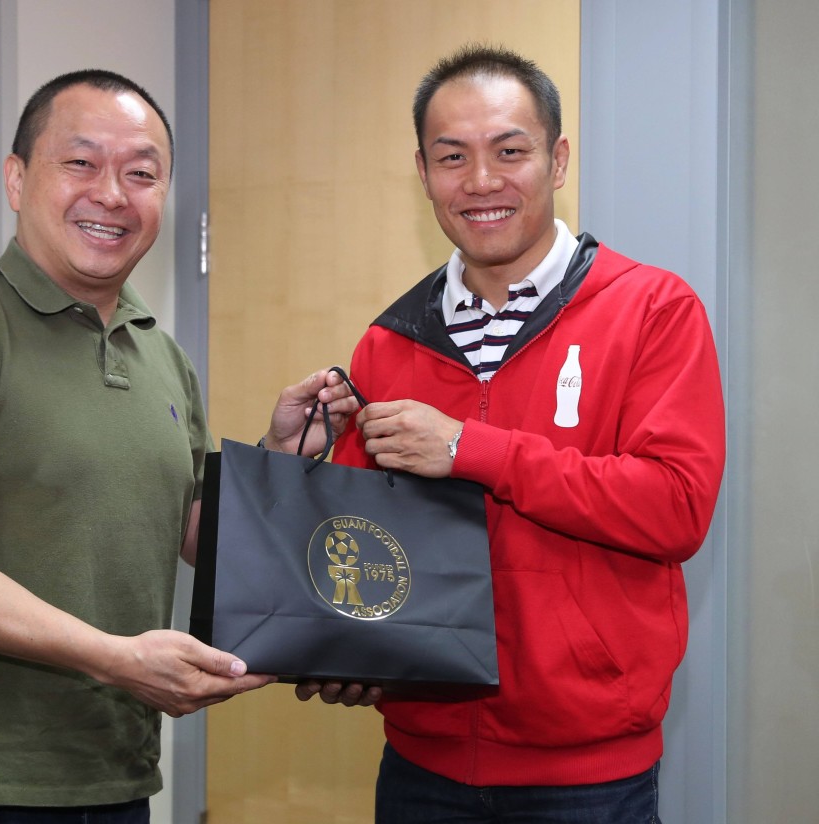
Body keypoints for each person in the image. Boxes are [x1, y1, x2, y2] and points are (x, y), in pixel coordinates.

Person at [0, 69, 357, 824]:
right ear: (17, 177)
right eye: (81, 162)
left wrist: (281, 457)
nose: (112, 193)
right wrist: (117, 659)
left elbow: (197, 537)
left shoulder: (160, 354)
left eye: (142, 173)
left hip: (110, 778)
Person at [295, 45, 726, 822]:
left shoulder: (654, 309)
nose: (482, 182)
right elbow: (365, 541)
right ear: (422, 173)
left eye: (510, 151)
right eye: (452, 157)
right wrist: (349, 649)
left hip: (589, 774)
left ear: (557, 160)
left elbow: (676, 506)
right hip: (421, 762)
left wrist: (470, 449)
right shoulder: (388, 342)